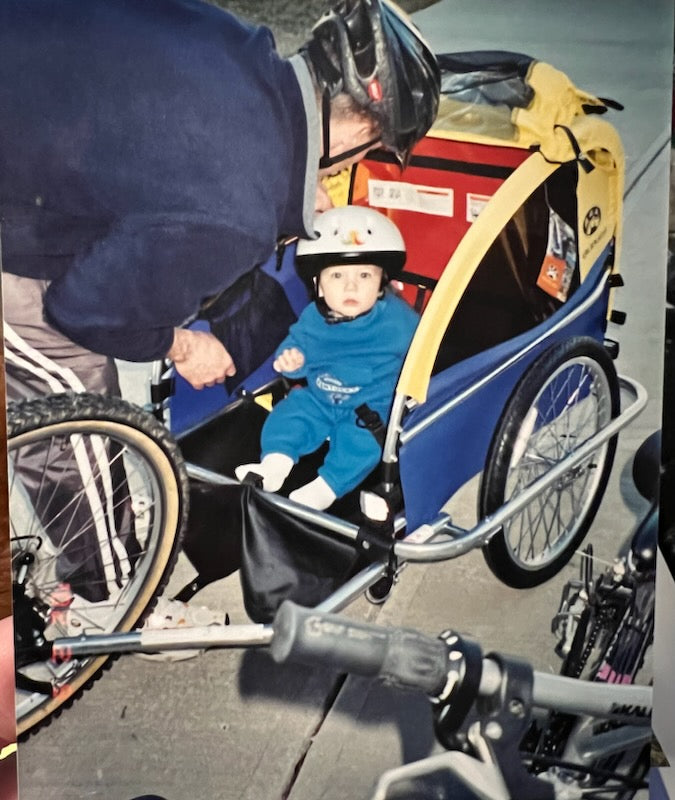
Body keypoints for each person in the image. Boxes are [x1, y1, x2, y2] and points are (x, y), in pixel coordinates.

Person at [0, 0, 439, 401]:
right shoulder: (238, 217)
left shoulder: (227, 35)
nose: (357, 161)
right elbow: (83, 309)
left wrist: (283, 184)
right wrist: (183, 347)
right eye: (371, 148)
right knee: (81, 405)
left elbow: (174, 139)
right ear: (363, 128)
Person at [235, 206, 419, 510]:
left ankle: (326, 488)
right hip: (320, 396)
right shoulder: (313, 318)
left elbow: (426, 348)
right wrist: (291, 360)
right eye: (337, 275)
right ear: (319, 285)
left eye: (364, 275)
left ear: (382, 282)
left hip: (370, 405)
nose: (351, 286)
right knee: (288, 416)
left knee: (363, 444)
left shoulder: (398, 322)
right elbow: (297, 345)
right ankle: (274, 466)